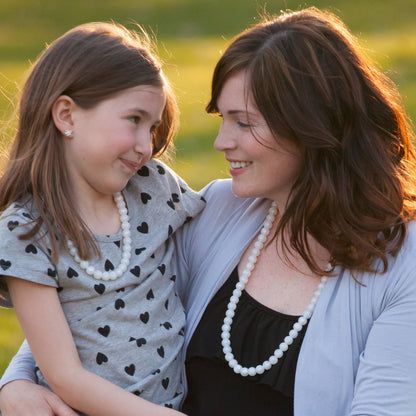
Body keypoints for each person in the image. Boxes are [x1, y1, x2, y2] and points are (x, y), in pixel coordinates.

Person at [2, 6, 416, 416]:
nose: (220, 142)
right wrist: (16, 383)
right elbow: (98, 304)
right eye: (223, 118)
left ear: (312, 126)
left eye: (243, 123)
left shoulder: (402, 263)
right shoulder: (219, 212)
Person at [0, 21, 205, 416]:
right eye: (134, 120)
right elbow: (65, 376)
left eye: (154, 127)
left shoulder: (153, 188)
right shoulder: (24, 233)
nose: (147, 146)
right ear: (66, 115)